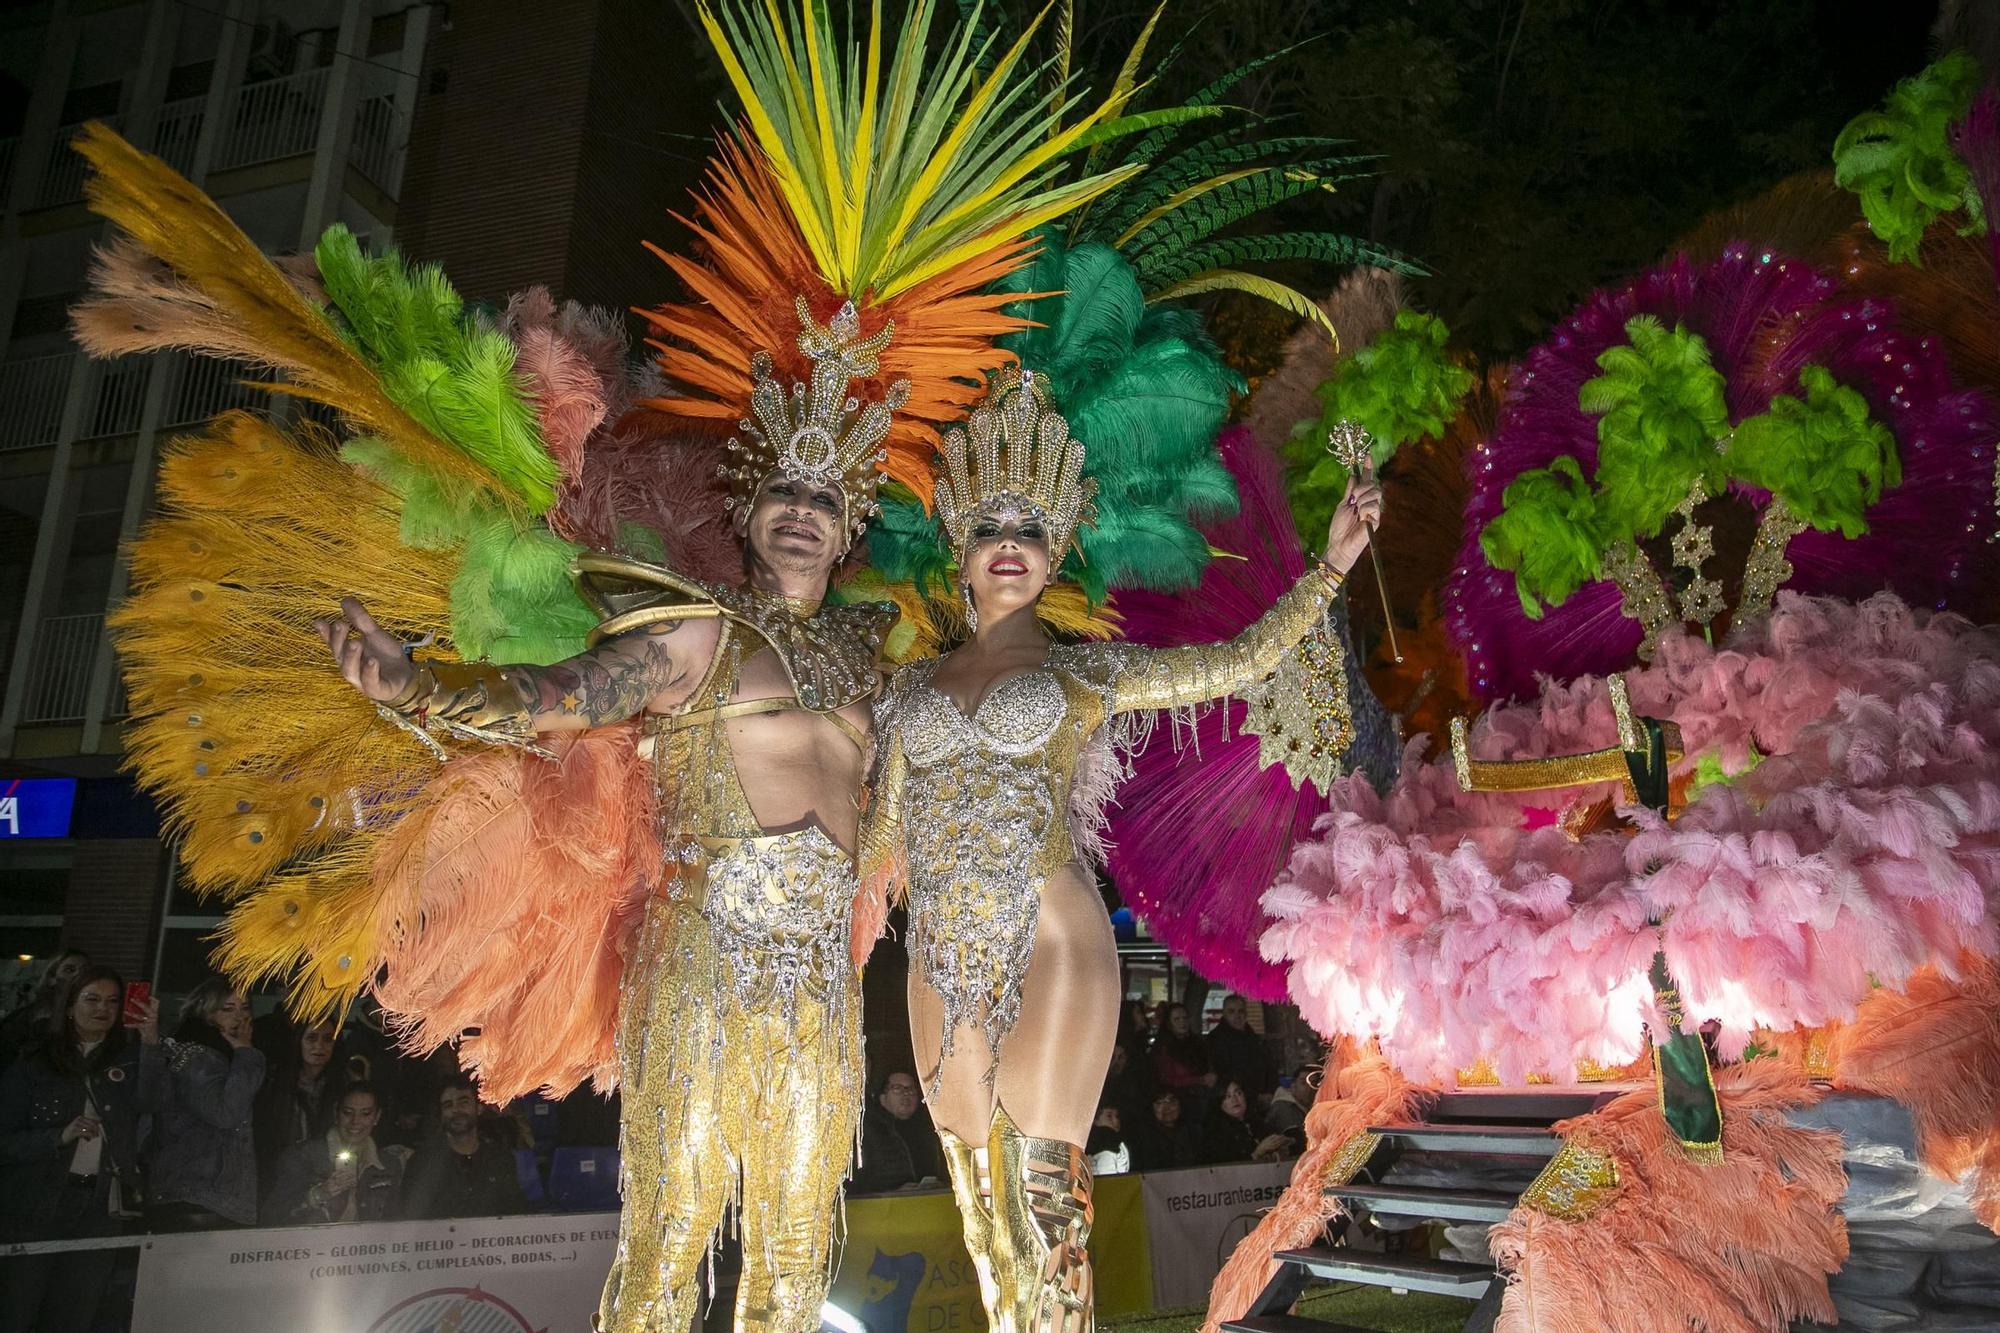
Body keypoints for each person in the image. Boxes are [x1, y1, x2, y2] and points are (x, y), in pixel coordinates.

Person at [319, 306, 894, 1329]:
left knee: (798, 1254)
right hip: (700, 962)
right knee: (668, 1240)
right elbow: (561, 692)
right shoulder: (689, 633)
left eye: (826, 495)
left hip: (819, 988)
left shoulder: (871, 664)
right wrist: (421, 689)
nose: (802, 510)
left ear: (853, 526)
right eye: (783, 490)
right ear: (747, 509)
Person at [864, 366, 1382, 1332]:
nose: (1009, 547)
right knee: (983, 1218)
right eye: (988, 528)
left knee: (1042, 1196)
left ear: (1055, 549)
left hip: (1051, 943)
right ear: (959, 548)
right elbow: (874, 844)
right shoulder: (906, 692)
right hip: (936, 956)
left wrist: (1330, 567)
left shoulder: (1086, 670)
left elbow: (1238, 662)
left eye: (1029, 531)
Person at [0, 966, 159, 1333]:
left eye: (112, 1001)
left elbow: (153, 1101)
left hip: (101, 1205)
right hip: (36, 1204)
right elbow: (5, 1140)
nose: (103, 1009)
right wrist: (58, 1136)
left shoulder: (127, 1060)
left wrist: (150, 1041)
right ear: (69, 1006)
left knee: (76, 1313)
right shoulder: (35, 1063)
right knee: (17, 1310)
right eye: (92, 999)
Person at [149, 978, 265, 1230]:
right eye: (228, 1008)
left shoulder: (216, 1052)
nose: (239, 1017)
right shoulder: (198, 1056)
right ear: (207, 1012)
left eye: (244, 1008)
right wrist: (247, 1054)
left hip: (203, 1190)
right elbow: (226, 1112)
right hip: (200, 1191)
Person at [265, 1081, 403, 1223]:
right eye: (348, 1113)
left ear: (377, 1117)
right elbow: (272, 1216)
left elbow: (393, 1222)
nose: (355, 1121)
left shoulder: (389, 1164)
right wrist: (317, 1195)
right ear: (336, 1112)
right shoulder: (302, 1156)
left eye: (365, 1114)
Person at [400, 1075, 528, 1219]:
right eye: (448, 1105)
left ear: (478, 1108)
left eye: (463, 1102)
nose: (456, 1110)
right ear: (441, 1115)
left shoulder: (501, 1160)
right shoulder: (422, 1163)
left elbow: (516, 1214)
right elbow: (409, 1220)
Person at [253, 1018, 342, 1181]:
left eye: (328, 1039)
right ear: (299, 1040)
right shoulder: (276, 1082)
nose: (319, 1046)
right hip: (281, 1173)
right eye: (311, 1038)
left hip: (327, 1174)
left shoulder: (343, 1085)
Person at [0, 950, 89, 1073]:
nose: (78, 974)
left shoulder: (89, 1018)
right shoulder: (24, 1018)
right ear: (51, 979)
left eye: (85, 971)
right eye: (69, 970)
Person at [854, 1070, 943, 1194]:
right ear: (882, 1097)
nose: (906, 1093)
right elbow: (855, 1184)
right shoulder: (865, 1132)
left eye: (911, 1089)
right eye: (897, 1088)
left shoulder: (928, 1131)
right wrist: (891, 1193)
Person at [1205, 996, 1275, 1103]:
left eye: (1241, 1011)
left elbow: (1268, 1064)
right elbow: (1224, 1073)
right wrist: (1254, 1096)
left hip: (1265, 1095)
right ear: (1224, 1013)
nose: (1237, 1015)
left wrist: (1271, 1091)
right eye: (1231, 1011)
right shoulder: (1216, 1039)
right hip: (1237, 1099)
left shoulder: (1253, 1038)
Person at [1151, 1003, 1215, 1104]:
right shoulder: (1164, 1047)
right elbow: (1168, 1079)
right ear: (1169, 1023)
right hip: (1177, 1099)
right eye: (1177, 1019)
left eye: (1185, 1018)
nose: (1182, 1022)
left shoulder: (1196, 1043)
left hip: (1201, 1095)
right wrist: (1199, 1080)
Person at [1130, 1092, 1199, 1172]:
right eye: (1159, 1103)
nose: (1166, 1108)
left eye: (1172, 1102)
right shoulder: (1143, 1136)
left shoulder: (1192, 1131)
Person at [1199, 1081, 1261, 1165]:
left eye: (1238, 1093)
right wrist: (1257, 1154)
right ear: (1220, 1103)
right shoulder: (1217, 1132)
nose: (1234, 1099)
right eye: (1228, 1096)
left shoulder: (1257, 1123)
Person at [1083, 1106, 1129, 1178]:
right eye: (1109, 1116)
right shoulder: (1105, 1139)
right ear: (1095, 1120)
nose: (1116, 1120)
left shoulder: (1118, 1140)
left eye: (1116, 1116)